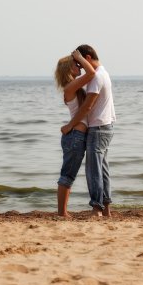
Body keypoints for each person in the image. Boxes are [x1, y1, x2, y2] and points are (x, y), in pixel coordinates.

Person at [61, 44, 116, 217]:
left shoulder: (96, 77)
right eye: (77, 65)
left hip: (98, 127)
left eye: (80, 63)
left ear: (88, 59)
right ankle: (105, 208)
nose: (80, 68)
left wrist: (70, 125)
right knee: (101, 168)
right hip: (105, 125)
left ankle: (97, 208)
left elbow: (86, 107)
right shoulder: (103, 73)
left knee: (94, 169)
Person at [55, 50, 95, 217]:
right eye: (75, 64)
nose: (78, 65)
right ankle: (62, 213)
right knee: (67, 175)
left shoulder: (75, 86)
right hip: (75, 137)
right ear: (68, 69)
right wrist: (79, 57)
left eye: (78, 63)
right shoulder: (71, 87)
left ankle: (63, 212)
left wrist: (78, 60)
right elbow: (91, 73)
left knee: (69, 175)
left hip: (77, 136)